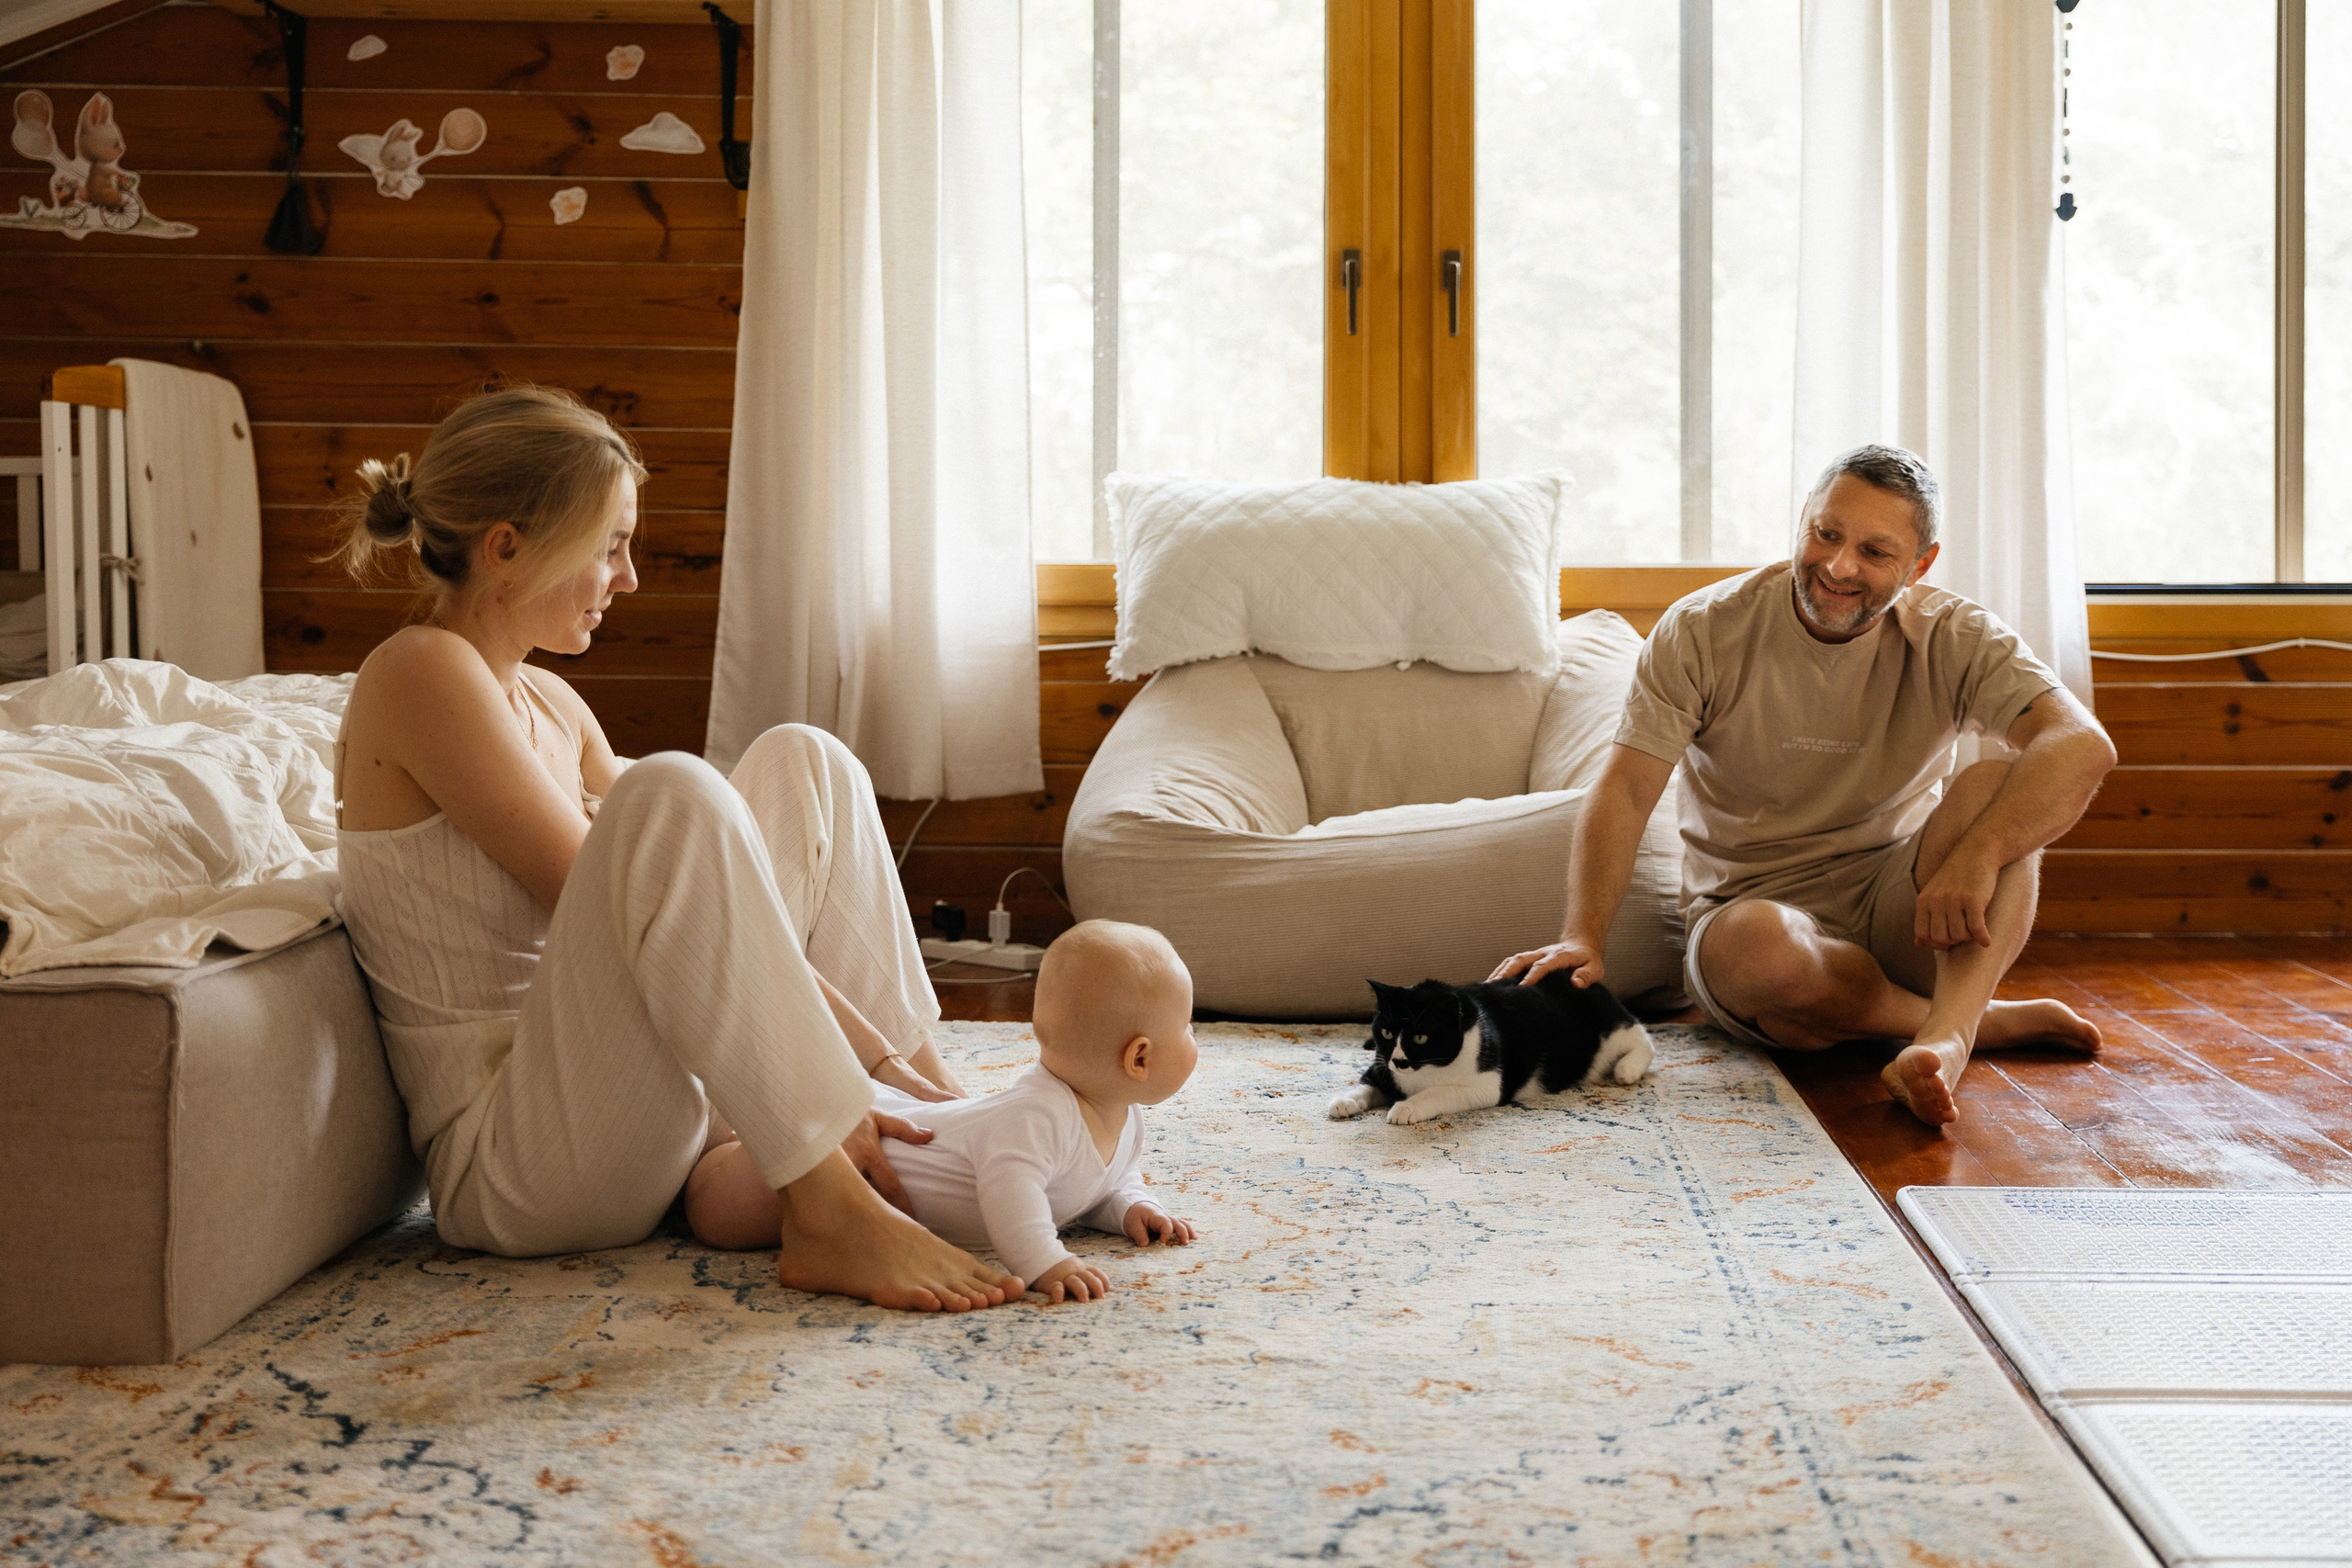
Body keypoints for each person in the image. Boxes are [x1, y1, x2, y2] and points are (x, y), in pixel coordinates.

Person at [331, 384, 1021, 1313]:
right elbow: (617, 880)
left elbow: (719, 906)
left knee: (801, 763)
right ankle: (830, 1207)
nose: (628, 579)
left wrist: (892, 1073)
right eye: (610, 547)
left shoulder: (551, 703)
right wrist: (840, 1065)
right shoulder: (420, 672)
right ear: (507, 548)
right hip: (521, 1162)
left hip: (633, 1107)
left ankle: (941, 1114)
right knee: (673, 791)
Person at [1491, 445, 2112, 1126]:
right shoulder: (1704, 627)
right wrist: (1584, 935)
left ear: (1921, 564)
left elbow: (2081, 745)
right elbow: (1627, 790)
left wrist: (1977, 853)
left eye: (1876, 552)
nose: (1840, 566)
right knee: (1763, 947)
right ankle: (1971, 1021)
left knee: (2000, 783)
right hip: (1751, 919)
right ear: (1802, 519)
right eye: (1826, 534)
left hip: (1905, 908)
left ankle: (1945, 1042)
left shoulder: (1954, 634)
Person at [693, 919, 1201, 1303]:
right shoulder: (1038, 1116)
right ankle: (707, 1149)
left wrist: (1132, 1208)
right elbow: (1011, 1196)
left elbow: (1098, 1184)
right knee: (719, 1214)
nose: (1193, 1036)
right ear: (1139, 1058)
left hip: (878, 1137)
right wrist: (1048, 1263)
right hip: (852, 1154)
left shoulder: (1124, 1119)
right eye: (1189, 1027)